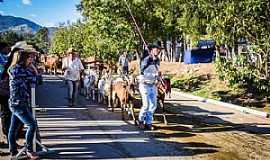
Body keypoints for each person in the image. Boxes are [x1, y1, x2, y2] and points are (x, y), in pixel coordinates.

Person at [8, 48, 39, 159]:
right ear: (23, 58)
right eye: (29, 57)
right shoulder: (18, 70)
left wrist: (31, 68)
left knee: (13, 128)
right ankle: (29, 150)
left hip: (18, 102)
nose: (31, 60)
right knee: (31, 125)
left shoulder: (16, 68)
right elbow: (36, 79)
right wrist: (33, 68)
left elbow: (38, 80)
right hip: (18, 103)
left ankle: (13, 151)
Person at [138, 43, 162, 130]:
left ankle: (148, 122)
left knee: (153, 105)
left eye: (159, 50)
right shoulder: (146, 60)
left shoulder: (157, 60)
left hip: (153, 85)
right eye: (156, 49)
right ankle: (140, 121)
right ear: (151, 50)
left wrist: (158, 77)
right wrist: (155, 74)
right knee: (146, 105)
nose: (158, 51)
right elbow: (142, 73)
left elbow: (157, 72)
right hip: (144, 85)